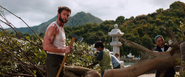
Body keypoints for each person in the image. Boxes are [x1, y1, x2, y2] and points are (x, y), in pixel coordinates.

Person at [43, 6, 73, 77]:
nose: (65, 17)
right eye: (64, 14)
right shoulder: (53, 27)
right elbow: (46, 46)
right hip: (53, 60)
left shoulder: (61, 28)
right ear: (58, 14)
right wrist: (64, 50)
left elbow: (58, 45)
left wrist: (66, 48)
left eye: (67, 15)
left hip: (60, 60)